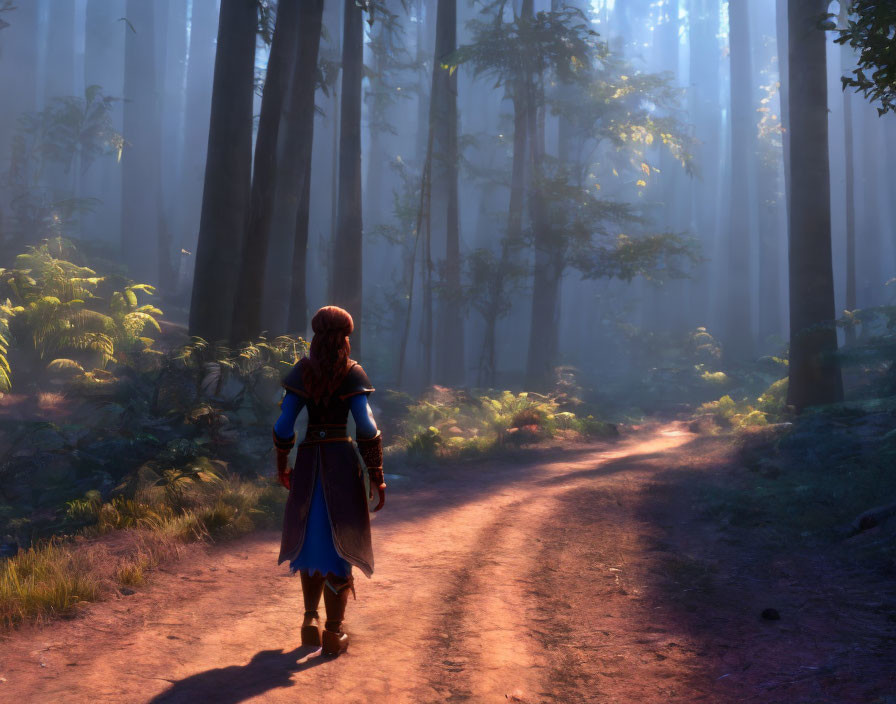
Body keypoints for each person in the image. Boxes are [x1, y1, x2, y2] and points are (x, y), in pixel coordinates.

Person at [272, 306, 386, 657]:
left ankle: (310, 621)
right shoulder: (352, 373)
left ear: (316, 336)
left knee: (311, 537)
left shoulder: (303, 371)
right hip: (339, 462)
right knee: (341, 540)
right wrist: (376, 474)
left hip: (308, 462)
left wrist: (283, 462)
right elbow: (365, 427)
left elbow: (283, 426)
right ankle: (334, 632)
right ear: (345, 338)